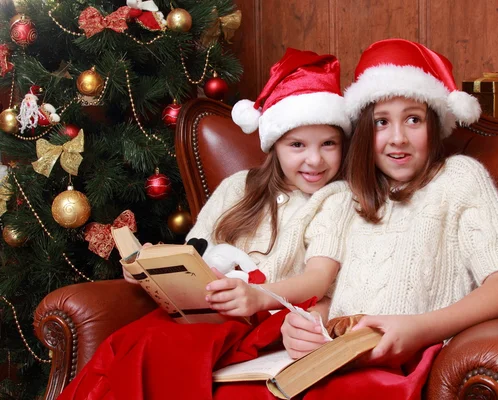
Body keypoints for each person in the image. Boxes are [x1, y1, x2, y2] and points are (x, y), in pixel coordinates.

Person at [215, 38, 498, 399]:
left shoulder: (459, 179)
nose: (398, 139)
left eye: (413, 119)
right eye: (381, 122)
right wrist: (305, 324)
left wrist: (419, 329)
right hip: (337, 358)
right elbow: (333, 294)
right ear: (364, 130)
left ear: (434, 124)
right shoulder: (347, 196)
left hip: (404, 365)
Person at [58, 48, 351, 400]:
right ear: (274, 146)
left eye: (329, 144)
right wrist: (149, 265)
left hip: (262, 320)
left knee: (167, 350)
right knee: (126, 346)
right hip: (203, 313)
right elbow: (193, 255)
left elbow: (319, 278)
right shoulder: (237, 187)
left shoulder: (336, 197)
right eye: (298, 145)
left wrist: (258, 296)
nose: (314, 159)